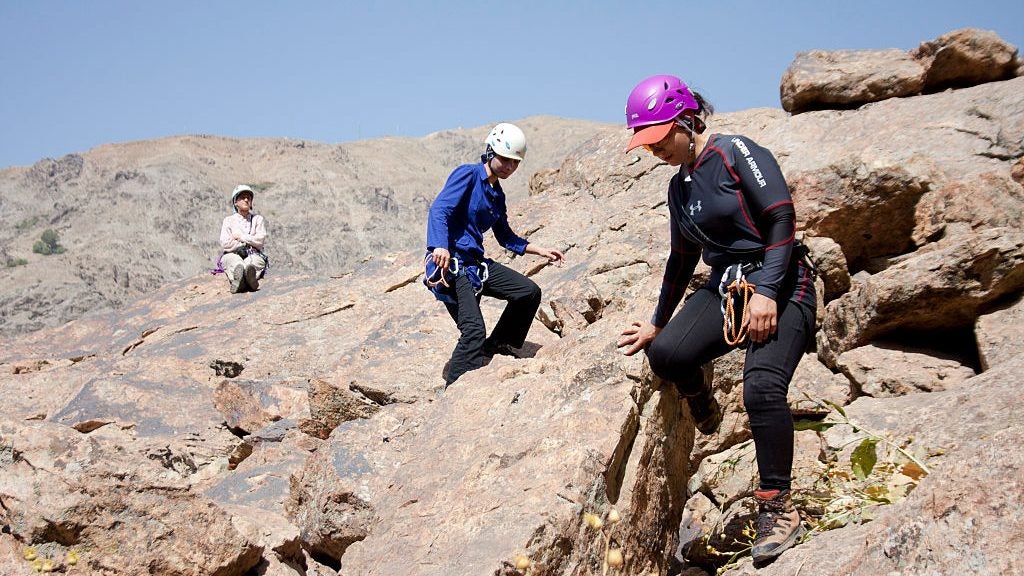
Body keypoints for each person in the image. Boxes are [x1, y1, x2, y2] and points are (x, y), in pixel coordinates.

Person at [615, 75, 817, 564]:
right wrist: (657, 323)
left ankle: (777, 506)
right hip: (726, 287)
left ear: (686, 119)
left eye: (660, 137)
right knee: (667, 355)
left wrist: (768, 292)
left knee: (762, 389)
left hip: (783, 281)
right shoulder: (677, 186)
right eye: (647, 142)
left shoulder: (735, 152)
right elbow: (680, 259)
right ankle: (703, 403)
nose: (654, 148)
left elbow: (781, 219)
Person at [425, 122, 564, 388]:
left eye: (515, 163)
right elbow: (439, 210)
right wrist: (439, 246)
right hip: (453, 266)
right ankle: (455, 387)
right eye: (505, 159)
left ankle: (500, 345)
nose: (510, 167)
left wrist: (538, 250)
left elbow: (506, 237)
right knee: (473, 330)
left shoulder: (496, 195)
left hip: (476, 264)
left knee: (528, 292)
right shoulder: (467, 175)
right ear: (490, 152)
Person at [219, 184, 268, 293]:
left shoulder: (257, 219)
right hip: (233, 254)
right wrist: (246, 244)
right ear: (235, 202)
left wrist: (241, 237)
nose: (246, 200)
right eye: (242, 197)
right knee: (235, 262)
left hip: (253, 254)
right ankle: (246, 280)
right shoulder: (228, 220)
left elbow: (260, 241)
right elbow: (225, 243)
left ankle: (241, 281)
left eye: (249, 198)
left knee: (254, 262)